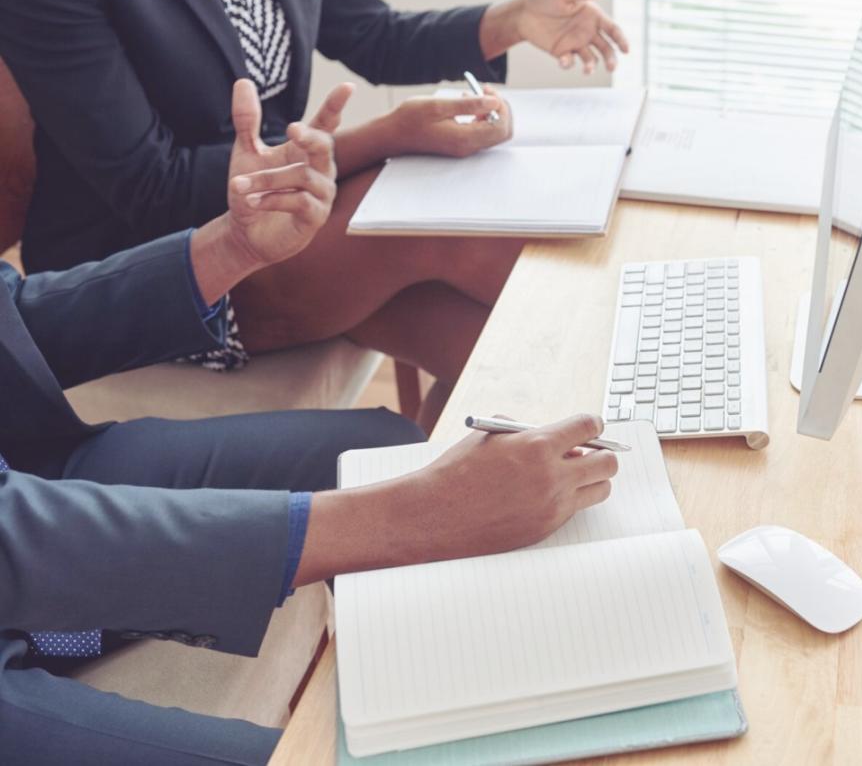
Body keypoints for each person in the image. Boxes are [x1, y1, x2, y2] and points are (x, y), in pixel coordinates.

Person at [0, 79, 619, 766]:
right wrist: (405, 519)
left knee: (388, 451)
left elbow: (16, 319)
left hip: (30, 475)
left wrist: (230, 248)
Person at [0, 0, 632, 428]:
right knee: (455, 234)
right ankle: (662, 345)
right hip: (158, 266)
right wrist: (382, 138)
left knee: (521, 370)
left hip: (284, 213)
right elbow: (152, 187)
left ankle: (615, 426)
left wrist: (511, 19)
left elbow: (370, 35)